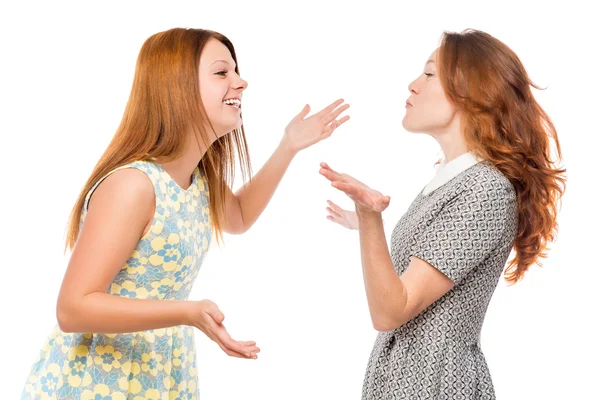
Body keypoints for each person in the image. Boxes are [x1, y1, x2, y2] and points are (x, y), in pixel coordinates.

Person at [21, 27, 349, 400]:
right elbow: (73, 308)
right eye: (222, 72)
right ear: (177, 86)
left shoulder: (198, 178)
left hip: (159, 373)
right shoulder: (134, 186)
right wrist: (187, 312)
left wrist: (289, 146)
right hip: (99, 382)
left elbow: (238, 217)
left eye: (235, 71)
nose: (241, 82)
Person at [320, 29, 566, 399]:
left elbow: (392, 311)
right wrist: (366, 226)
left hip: (435, 386)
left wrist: (371, 218)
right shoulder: (453, 182)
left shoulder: (483, 191)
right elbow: (427, 255)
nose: (413, 84)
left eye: (429, 74)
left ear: (471, 91)